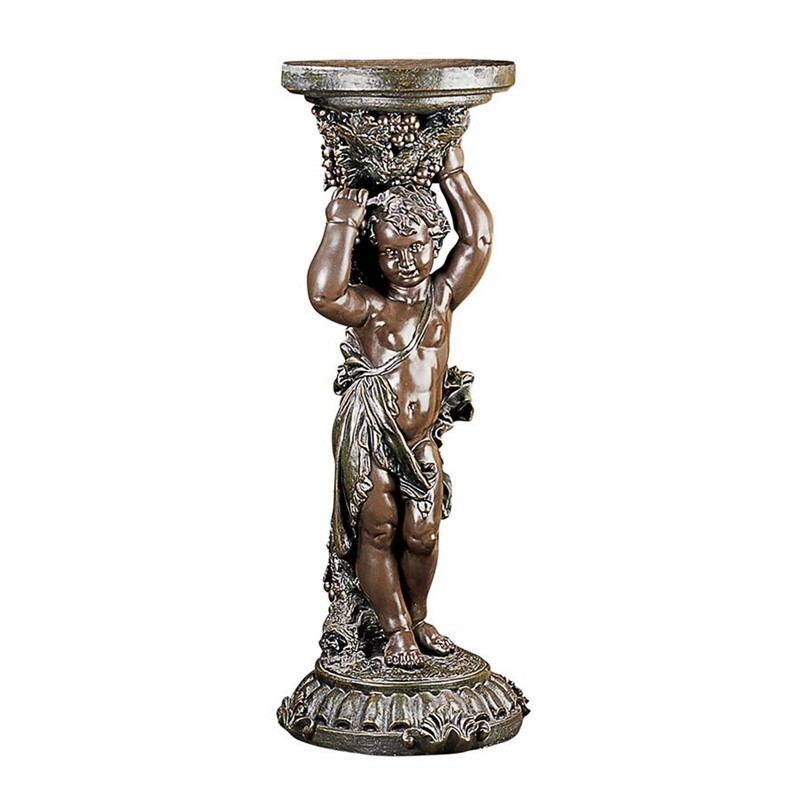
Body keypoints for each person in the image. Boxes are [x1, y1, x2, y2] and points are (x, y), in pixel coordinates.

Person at [307, 145, 493, 668]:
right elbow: (325, 296)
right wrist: (342, 221)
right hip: (371, 433)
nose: (406, 262)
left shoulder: (442, 296)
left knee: (422, 533)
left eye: (416, 247)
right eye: (392, 252)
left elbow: (478, 240)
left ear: (435, 240)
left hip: (420, 438)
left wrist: (454, 173)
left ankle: (418, 615)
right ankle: (394, 630)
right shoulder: (372, 305)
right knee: (379, 528)